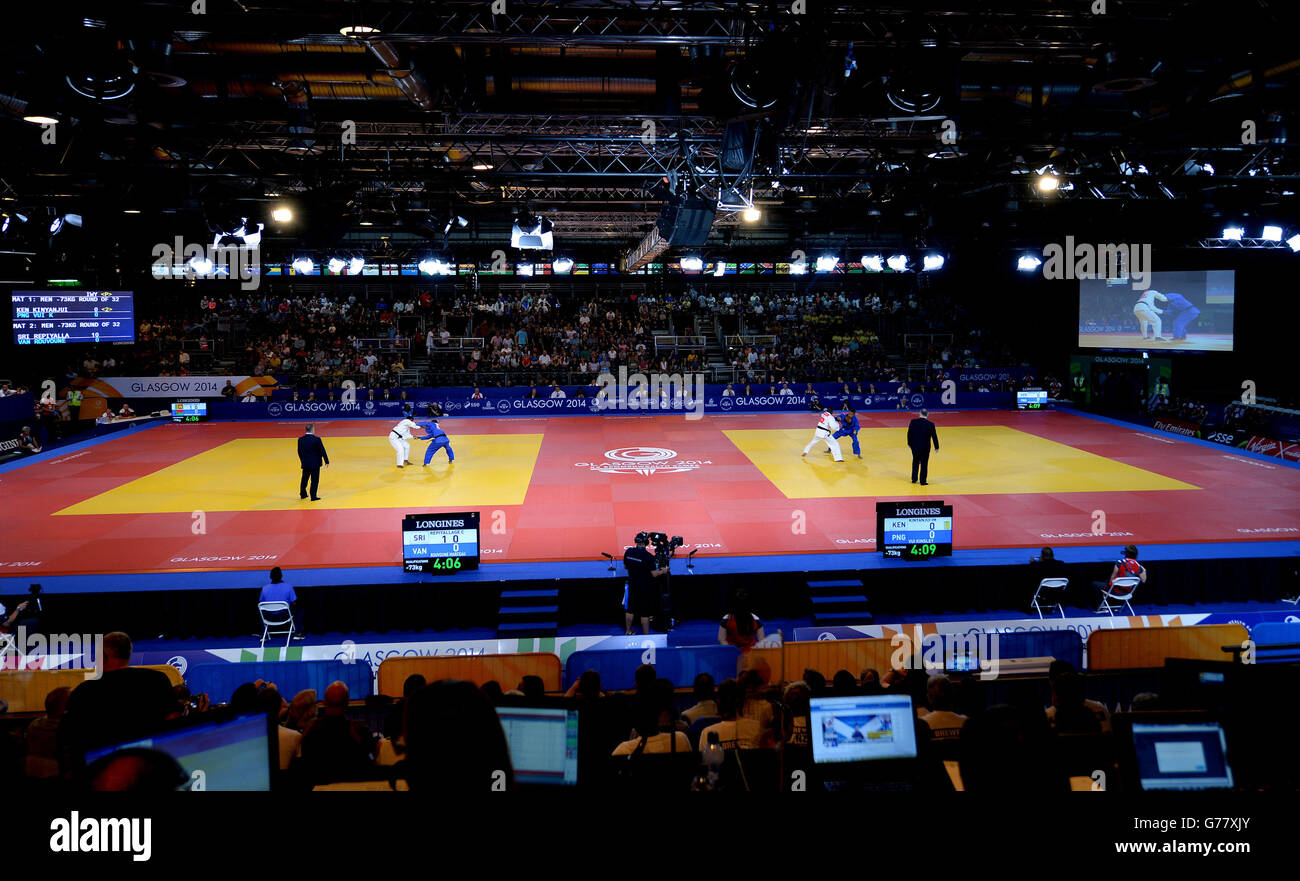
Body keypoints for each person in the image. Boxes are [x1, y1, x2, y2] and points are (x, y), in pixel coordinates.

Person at [57, 632, 178, 769]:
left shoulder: (84, 691)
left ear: (102, 656)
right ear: (128, 654)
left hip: (102, 769)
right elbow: (173, 721)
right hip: (149, 765)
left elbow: (69, 738)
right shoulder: (157, 680)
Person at [623, 533, 669, 634]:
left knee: (630, 609)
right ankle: (646, 636)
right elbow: (654, 574)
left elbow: (626, 567)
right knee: (645, 613)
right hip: (645, 587)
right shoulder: (648, 557)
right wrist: (663, 571)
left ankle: (628, 631)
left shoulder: (628, 552)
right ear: (646, 542)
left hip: (632, 585)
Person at [1093, 544, 1146, 609]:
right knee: (1107, 582)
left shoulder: (1119, 563)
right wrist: (1144, 570)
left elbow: (1112, 578)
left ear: (1125, 553)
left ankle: (1100, 606)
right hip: (1127, 593)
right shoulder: (1138, 566)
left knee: (1095, 584)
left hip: (1115, 590)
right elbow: (1143, 580)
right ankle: (1115, 603)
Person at [259, 566, 304, 638]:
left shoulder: (264, 589)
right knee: (300, 609)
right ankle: (298, 633)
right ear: (281, 576)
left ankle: (264, 634)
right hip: (284, 616)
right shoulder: (288, 587)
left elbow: (261, 603)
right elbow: (294, 603)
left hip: (269, 617)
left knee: (261, 611)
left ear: (270, 577)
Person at [906, 408, 939, 485]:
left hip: (915, 446)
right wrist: (936, 447)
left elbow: (909, 433)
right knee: (924, 464)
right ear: (927, 415)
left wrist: (909, 443)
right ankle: (923, 481)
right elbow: (934, 436)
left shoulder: (913, 422)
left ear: (919, 414)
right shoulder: (930, 424)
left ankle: (914, 479)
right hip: (925, 447)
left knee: (915, 461)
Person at [297, 423, 328, 500]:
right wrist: (326, 460)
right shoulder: (317, 439)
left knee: (304, 479)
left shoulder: (300, 439)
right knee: (314, 480)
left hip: (306, 463)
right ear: (312, 430)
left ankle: (303, 494)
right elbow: (322, 450)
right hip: (315, 463)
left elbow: (299, 452)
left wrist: (302, 460)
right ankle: (313, 496)